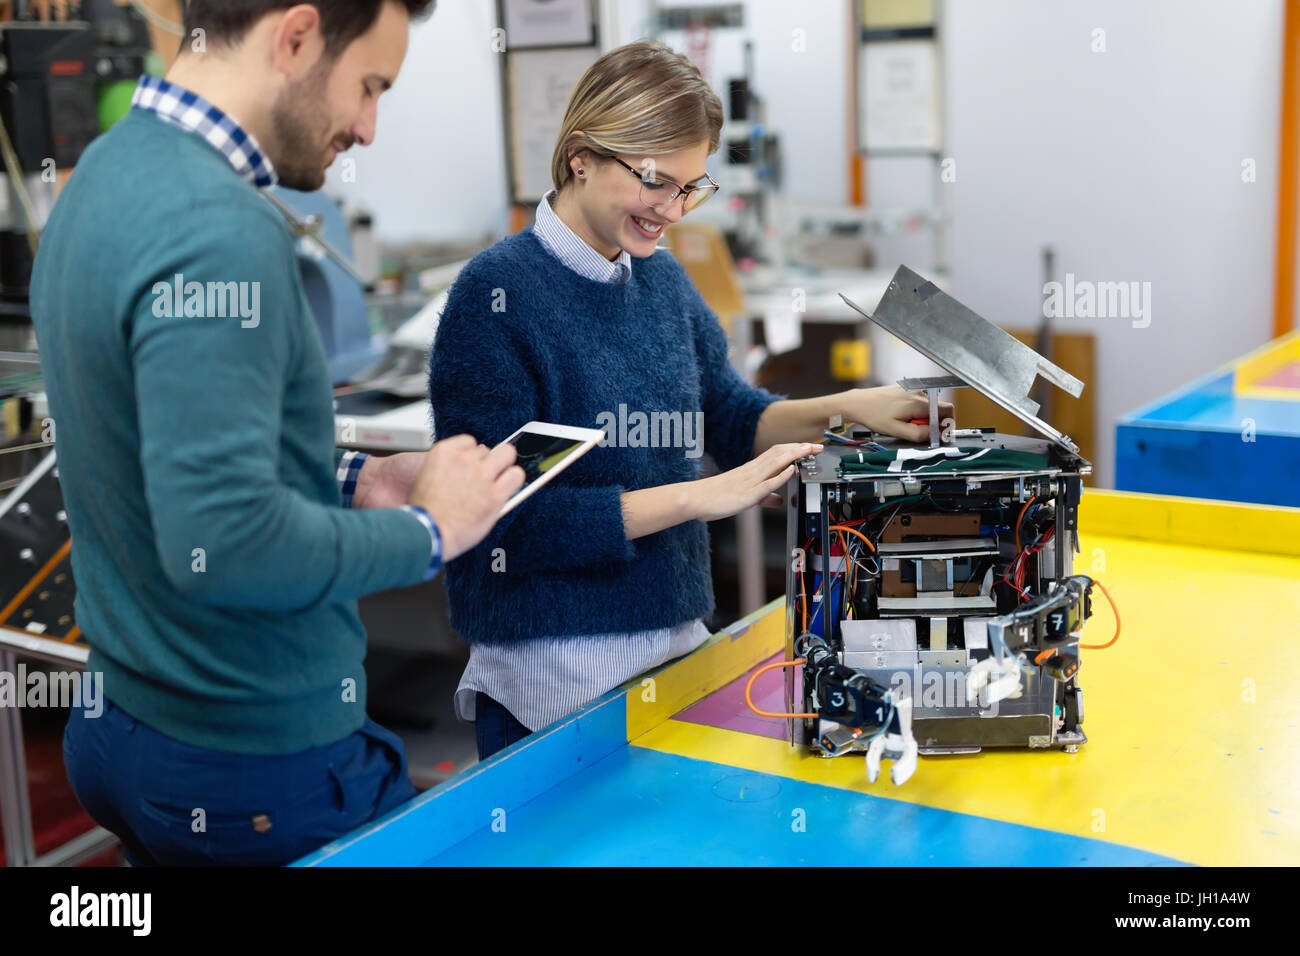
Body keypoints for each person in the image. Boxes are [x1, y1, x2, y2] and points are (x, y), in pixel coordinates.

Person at [30, 0, 523, 866]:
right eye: (368, 86)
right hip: (248, 763)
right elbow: (229, 541)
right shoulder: (217, 230)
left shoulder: (102, 174)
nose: (368, 127)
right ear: (295, 37)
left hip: (125, 725)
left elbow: (165, 444)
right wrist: (428, 530)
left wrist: (353, 480)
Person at [430, 41, 952, 761]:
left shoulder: (662, 283)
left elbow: (732, 418)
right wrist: (693, 497)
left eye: (691, 187)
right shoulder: (497, 299)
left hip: (676, 650)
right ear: (581, 155)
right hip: (550, 676)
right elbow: (499, 527)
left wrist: (852, 405)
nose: (672, 210)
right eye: (654, 181)